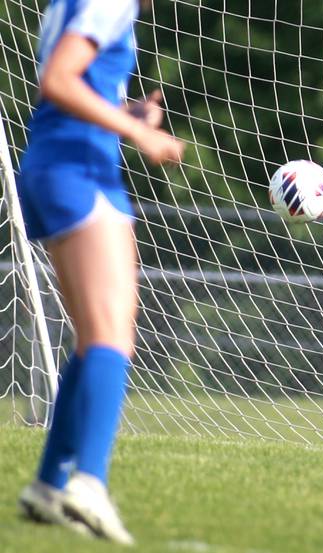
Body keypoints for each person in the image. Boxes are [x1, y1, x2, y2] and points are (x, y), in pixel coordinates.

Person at [16, 0, 184, 544]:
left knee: (93, 340)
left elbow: (73, 87)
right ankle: (88, 482)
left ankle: (46, 486)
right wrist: (141, 135)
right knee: (114, 333)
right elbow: (58, 80)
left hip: (52, 163)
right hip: (78, 169)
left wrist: (129, 113)